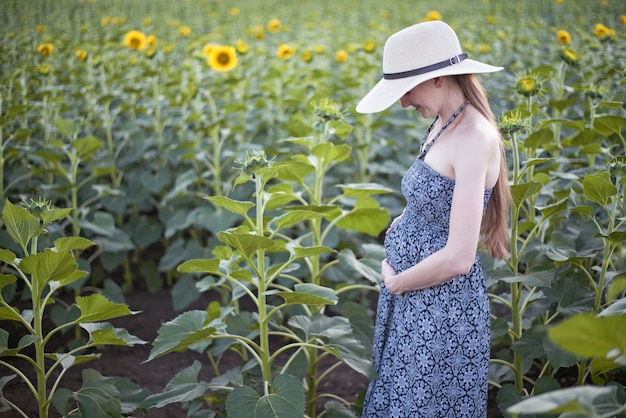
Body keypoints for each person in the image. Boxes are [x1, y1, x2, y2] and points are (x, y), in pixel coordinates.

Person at [355, 20, 510, 417]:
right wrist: (408, 220)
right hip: (417, 300)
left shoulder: (475, 138)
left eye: (407, 90)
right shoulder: (444, 121)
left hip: (440, 310)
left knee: (422, 405)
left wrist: (396, 282)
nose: (404, 103)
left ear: (439, 77)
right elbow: (438, 195)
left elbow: (459, 258)